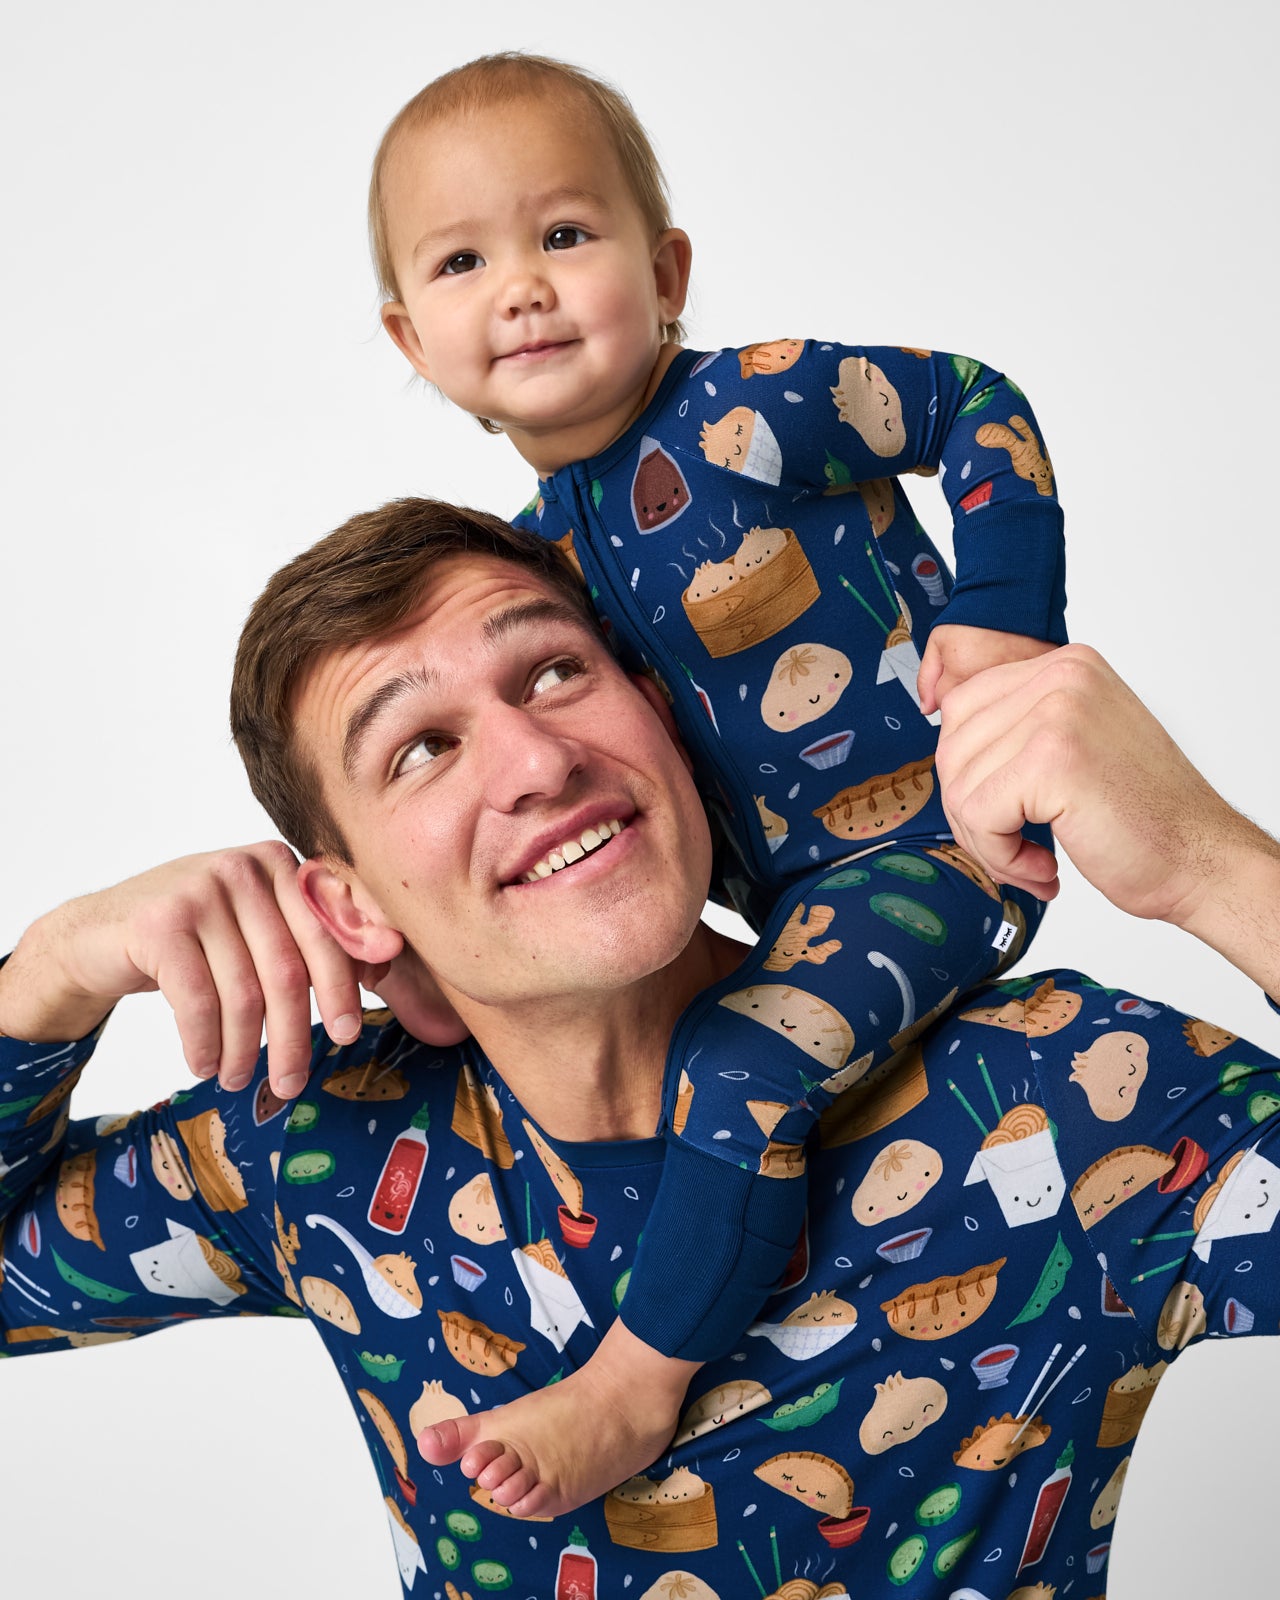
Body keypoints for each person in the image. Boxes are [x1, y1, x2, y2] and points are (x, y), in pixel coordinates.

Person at [3, 499, 1277, 1600]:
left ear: (660, 715)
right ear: (351, 908)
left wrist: (1210, 866)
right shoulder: (320, 1147)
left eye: (554, 673)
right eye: (421, 749)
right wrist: (55, 969)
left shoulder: (1055, 1096)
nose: (537, 761)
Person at [368, 51, 1069, 1511]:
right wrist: (429, 954)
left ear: (665, 266)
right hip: (770, 901)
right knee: (614, 1055)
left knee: (739, 1064)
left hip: (939, 844)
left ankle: (638, 1384)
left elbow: (972, 402)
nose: (523, 287)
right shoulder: (523, 566)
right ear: (408, 339)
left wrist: (1005, 608)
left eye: (565, 235)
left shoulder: (752, 410)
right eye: (462, 260)